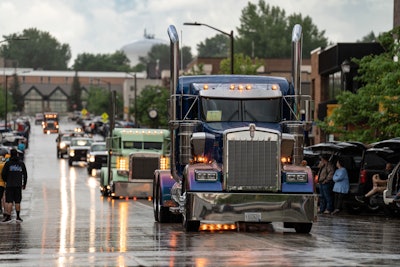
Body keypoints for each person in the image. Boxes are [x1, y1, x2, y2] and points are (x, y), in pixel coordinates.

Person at [1, 148, 28, 223]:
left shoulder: (8, 163)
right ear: (17, 154)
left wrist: (6, 180)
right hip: (18, 185)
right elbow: (25, 174)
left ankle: (8, 217)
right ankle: (18, 216)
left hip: (9, 185)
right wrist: (24, 184)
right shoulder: (21, 163)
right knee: (17, 201)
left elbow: (3, 174)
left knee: (9, 201)